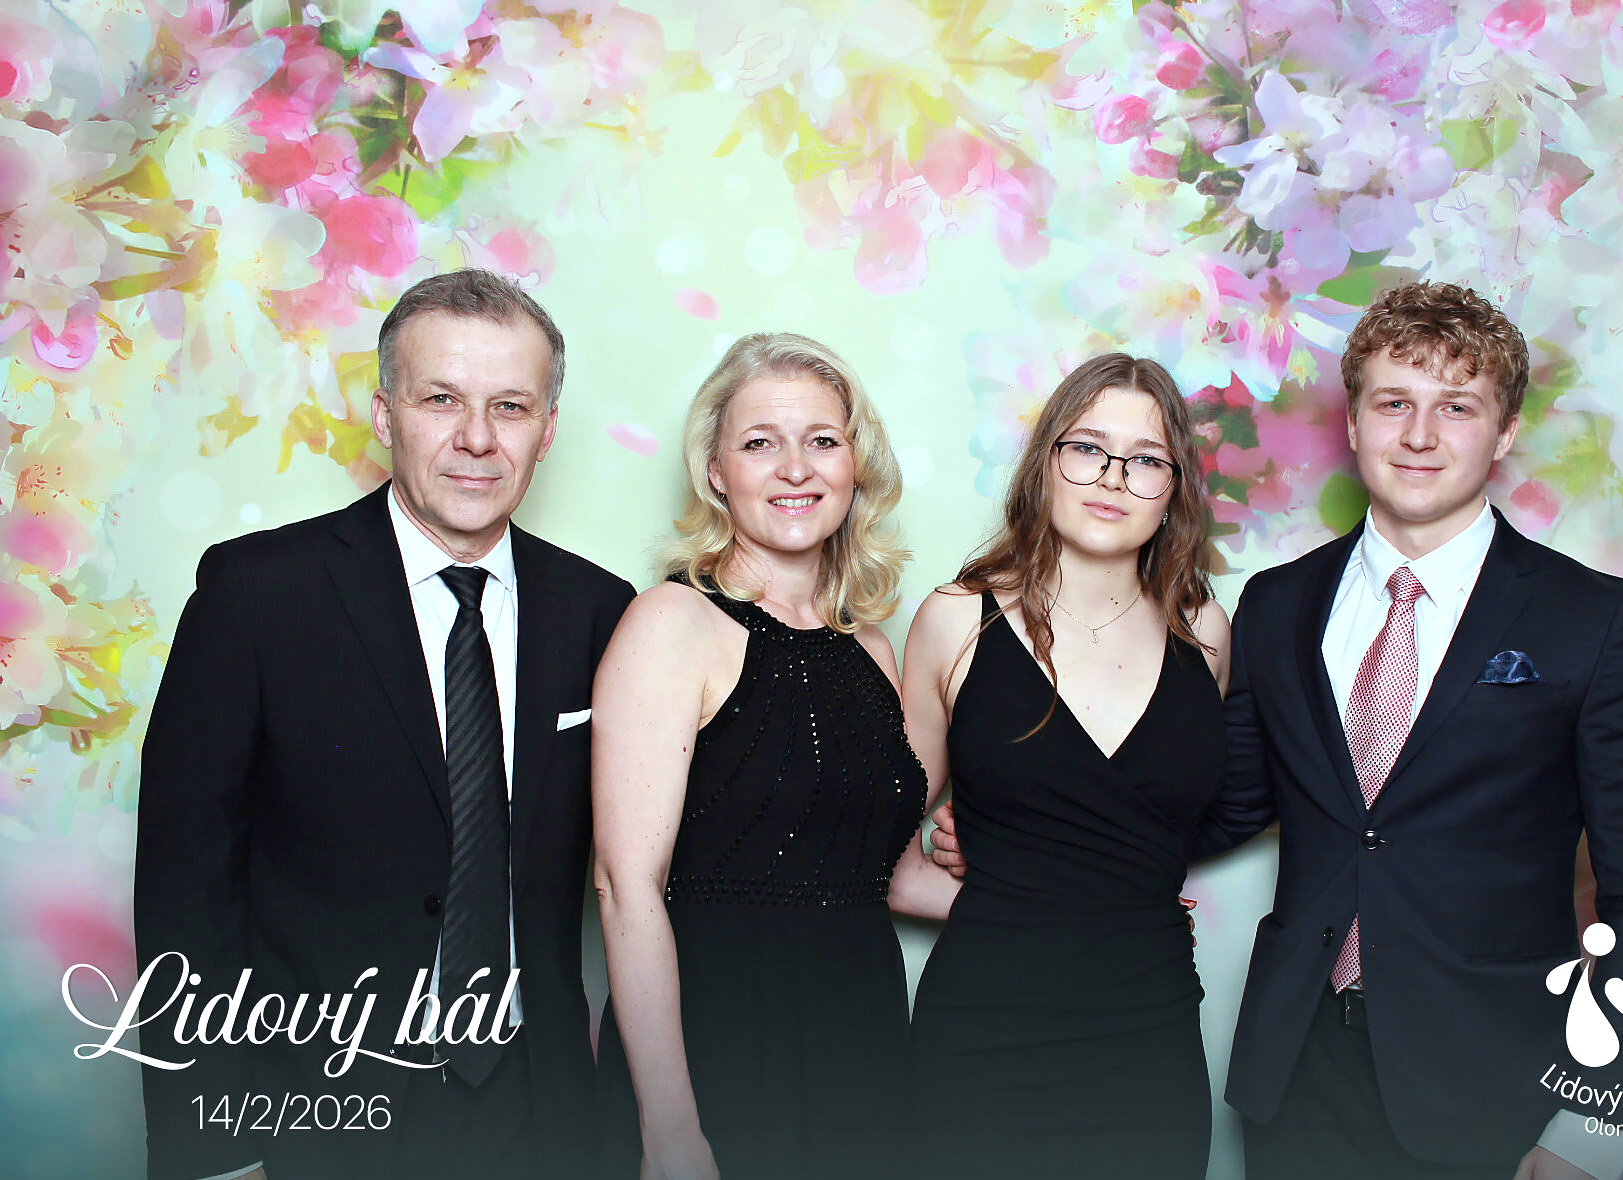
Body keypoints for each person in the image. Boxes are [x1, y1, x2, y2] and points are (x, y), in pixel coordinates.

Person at [936, 282, 1623, 1180]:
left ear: (1503, 433)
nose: (1420, 435)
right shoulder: (1277, 605)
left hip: (1498, 1086)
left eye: (1457, 407)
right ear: (1354, 422)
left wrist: (1597, 1130)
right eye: (1394, 403)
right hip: (1298, 1079)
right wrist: (1030, 833)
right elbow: (1221, 801)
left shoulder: (1594, 620)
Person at [134, 268, 635, 1180]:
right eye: (441, 399)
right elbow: (185, 884)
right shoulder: (256, 595)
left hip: (541, 1107)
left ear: (548, 428)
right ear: (384, 414)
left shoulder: (601, 611)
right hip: (317, 1104)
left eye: (511, 406)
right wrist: (210, 1147)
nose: (477, 438)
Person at [590, 332, 927, 1180]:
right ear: (715, 471)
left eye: (822, 441)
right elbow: (625, 887)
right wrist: (670, 1130)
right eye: (759, 444)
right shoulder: (672, 624)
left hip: (864, 1047)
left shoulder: (872, 651)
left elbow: (881, 873)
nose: (795, 469)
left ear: (856, 464)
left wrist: (1084, 907)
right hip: (724, 1050)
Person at [895, 353, 1232, 1179]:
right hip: (982, 1041)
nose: (1112, 477)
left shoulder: (1204, 632)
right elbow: (886, 858)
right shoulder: (956, 620)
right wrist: (1022, 906)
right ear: (1044, 461)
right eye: (1087, 448)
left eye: (1146, 459)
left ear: (1174, 489)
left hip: (1149, 1044)